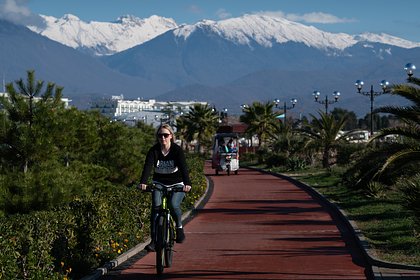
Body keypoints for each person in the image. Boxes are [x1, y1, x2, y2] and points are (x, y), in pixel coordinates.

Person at [138, 124, 192, 252]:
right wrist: (143, 182)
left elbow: (184, 168)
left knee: (173, 204)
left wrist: (187, 184)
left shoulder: (177, 150)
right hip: (159, 183)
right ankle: (154, 241)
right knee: (156, 209)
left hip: (176, 183)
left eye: (166, 135)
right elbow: (148, 166)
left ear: (171, 136)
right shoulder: (154, 151)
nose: (163, 138)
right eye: (160, 135)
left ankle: (179, 228)